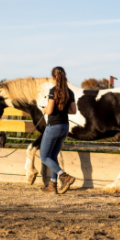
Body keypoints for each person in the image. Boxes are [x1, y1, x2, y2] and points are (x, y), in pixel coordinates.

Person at [40, 66, 77, 194]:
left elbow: (49, 111)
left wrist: (44, 109)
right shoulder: (70, 92)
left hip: (53, 126)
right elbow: (73, 110)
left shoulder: (53, 90)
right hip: (64, 127)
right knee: (53, 156)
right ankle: (52, 185)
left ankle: (64, 176)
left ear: (53, 77)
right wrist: (62, 108)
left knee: (44, 157)